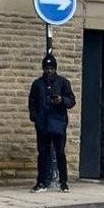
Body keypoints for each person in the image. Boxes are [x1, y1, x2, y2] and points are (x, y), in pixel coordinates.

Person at [28, 53, 77, 192]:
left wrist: (62, 100)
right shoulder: (37, 84)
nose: (49, 71)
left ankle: (63, 182)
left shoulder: (63, 82)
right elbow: (32, 101)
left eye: (51, 68)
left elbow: (72, 100)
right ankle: (42, 181)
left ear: (55, 69)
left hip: (58, 123)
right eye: (47, 68)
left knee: (60, 153)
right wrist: (35, 117)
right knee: (43, 153)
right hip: (43, 124)